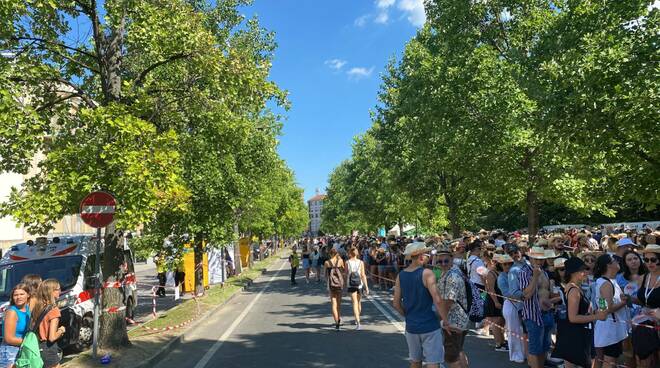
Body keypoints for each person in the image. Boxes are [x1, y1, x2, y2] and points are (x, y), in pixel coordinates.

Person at [393, 242, 444, 368]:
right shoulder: (427, 273)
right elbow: (437, 299)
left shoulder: (401, 275)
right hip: (430, 324)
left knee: (415, 361)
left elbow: (396, 303)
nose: (428, 257)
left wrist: (407, 315)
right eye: (427, 254)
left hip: (412, 325)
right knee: (433, 362)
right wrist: (444, 318)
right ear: (421, 256)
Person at [552, 257, 608, 368]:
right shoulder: (574, 290)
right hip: (576, 334)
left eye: (586, 270)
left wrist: (595, 312)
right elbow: (573, 317)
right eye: (582, 270)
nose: (586, 272)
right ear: (573, 272)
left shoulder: (576, 288)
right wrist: (596, 316)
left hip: (578, 333)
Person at [519, 246, 554, 368]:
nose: (539, 262)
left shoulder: (544, 272)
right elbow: (526, 295)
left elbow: (547, 293)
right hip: (533, 315)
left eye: (541, 259)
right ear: (530, 258)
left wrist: (553, 300)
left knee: (545, 347)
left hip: (547, 314)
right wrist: (534, 277)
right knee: (534, 349)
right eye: (536, 259)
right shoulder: (525, 272)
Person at [592, 254, 630, 368]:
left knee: (606, 359)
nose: (618, 262)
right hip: (610, 329)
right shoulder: (606, 283)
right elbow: (607, 309)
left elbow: (602, 308)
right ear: (609, 265)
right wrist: (623, 303)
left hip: (609, 327)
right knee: (609, 360)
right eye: (614, 260)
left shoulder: (606, 281)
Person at [437, 246, 469, 368]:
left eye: (446, 261)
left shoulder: (452, 276)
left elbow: (448, 301)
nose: (443, 264)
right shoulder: (451, 272)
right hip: (459, 319)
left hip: (453, 322)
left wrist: (443, 319)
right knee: (458, 351)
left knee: (451, 358)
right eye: (440, 261)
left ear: (452, 259)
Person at [632, 243, 660, 367]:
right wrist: (629, 299)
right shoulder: (643, 278)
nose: (649, 263)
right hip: (646, 322)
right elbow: (644, 301)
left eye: (653, 259)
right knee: (645, 358)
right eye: (646, 260)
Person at [498, 252, 525, 363]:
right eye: (505, 264)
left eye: (510, 263)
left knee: (522, 330)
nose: (508, 266)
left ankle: (524, 352)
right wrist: (522, 295)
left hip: (521, 303)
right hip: (510, 304)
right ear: (501, 265)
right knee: (513, 331)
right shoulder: (501, 277)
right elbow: (507, 293)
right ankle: (515, 355)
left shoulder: (516, 273)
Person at [32, 279, 65, 368]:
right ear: (51, 292)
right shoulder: (54, 310)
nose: (60, 291)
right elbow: (52, 337)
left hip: (36, 346)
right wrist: (61, 330)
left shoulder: (37, 307)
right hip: (48, 348)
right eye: (58, 289)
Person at [0, 283, 31, 368]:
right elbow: (9, 339)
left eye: (22, 294)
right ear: (12, 297)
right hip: (10, 352)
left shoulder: (28, 309)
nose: (18, 297)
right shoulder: (12, 312)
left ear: (28, 295)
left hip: (22, 349)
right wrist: (30, 343)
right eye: (15, 295)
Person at [483, 252, 507, 352]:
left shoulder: (501, 272)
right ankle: (498, 344)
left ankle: (502, 341)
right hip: (494, 300)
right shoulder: (491, 273)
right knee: (496, 322)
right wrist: (496, 302)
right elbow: (491, 289)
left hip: (501, 299)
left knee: (501, 321)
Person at [346, 247, 369, 330]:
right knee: (359, 302)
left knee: (354, 303)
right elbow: (363, 275)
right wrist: (366, 287)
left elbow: (346, 274)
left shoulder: (347, 262)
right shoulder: (361, 262)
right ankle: (357, 319)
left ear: (350, 253)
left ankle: (358, 322)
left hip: (351, 285)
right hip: (359, 284)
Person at [325, 247, 345, 331]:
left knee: (333, 303)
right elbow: (343, 271)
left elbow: (325, 275)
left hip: (331, 284)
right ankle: (339, 319)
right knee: (339, 304)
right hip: (339, 284)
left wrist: (327, 283)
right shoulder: (340, 261)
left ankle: (336, 322)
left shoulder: (326, 262)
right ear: (336, 253)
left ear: (330, 254)